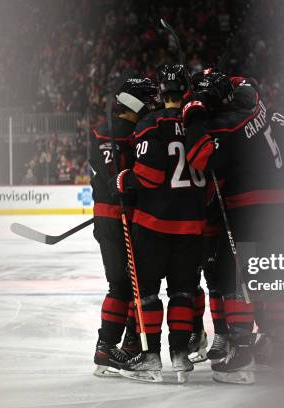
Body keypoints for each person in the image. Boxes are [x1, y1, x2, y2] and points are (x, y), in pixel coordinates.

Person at [182, 69, 284, 384]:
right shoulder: (259, 109)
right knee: (273, 276)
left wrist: (194, 111)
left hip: (252, 206)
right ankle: (281, 345)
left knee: (240, 278)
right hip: (281, 205)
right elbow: (246, 86)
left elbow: (200, 156)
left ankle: (242, 349)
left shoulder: (230, 124)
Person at [113, 64, 207, 383]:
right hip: (191, 226)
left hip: (154, 226)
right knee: (183, 292)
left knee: (149, 294)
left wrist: (126, 179)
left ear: (162, 93)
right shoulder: (197, 122)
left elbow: (150, 177)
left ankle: (150, 357)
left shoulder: (150, 124)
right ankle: (180, 354)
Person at [89, 76, 157, 377]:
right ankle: (111, 348)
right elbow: (122, 181)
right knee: (126, 285)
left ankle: (115, 347)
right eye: (148, 98)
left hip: (108, 217)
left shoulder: (102, 130)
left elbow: (102, 178)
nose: (152, 104)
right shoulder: (129, 133)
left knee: (126, 284)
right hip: (123, 218)